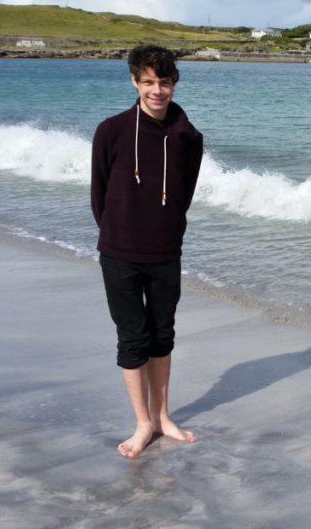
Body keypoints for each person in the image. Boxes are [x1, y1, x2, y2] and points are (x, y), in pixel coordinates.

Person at [91, 45, 204, 459]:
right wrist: (117, 234)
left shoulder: (189, 137)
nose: (158, 90)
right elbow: (98, 192)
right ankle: (142, 423)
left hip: (165, 252)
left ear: (174, 83)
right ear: (135, 82)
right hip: (119, 253)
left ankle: (163, 417)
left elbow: (184, 193)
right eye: (149, 82)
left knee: (162, 337)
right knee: (132, 339)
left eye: (165, 82)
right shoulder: (111, 130)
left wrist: (165, 228)